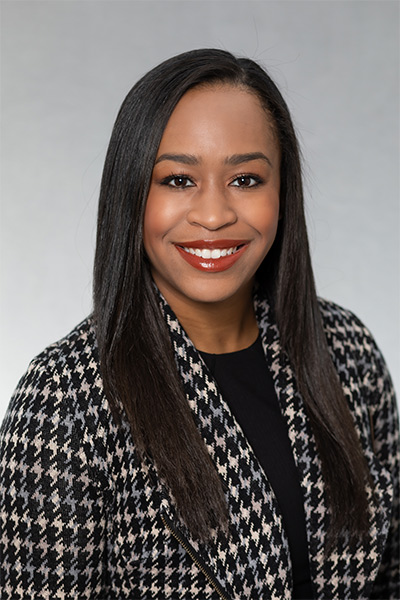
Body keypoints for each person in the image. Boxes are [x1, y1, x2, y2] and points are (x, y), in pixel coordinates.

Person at [0, 48, 398, 600]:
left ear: (283, 194)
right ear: (132, 193)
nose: (214, 216)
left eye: (246, 179)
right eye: (179, 180)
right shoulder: (65, 402)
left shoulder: (348, 351)